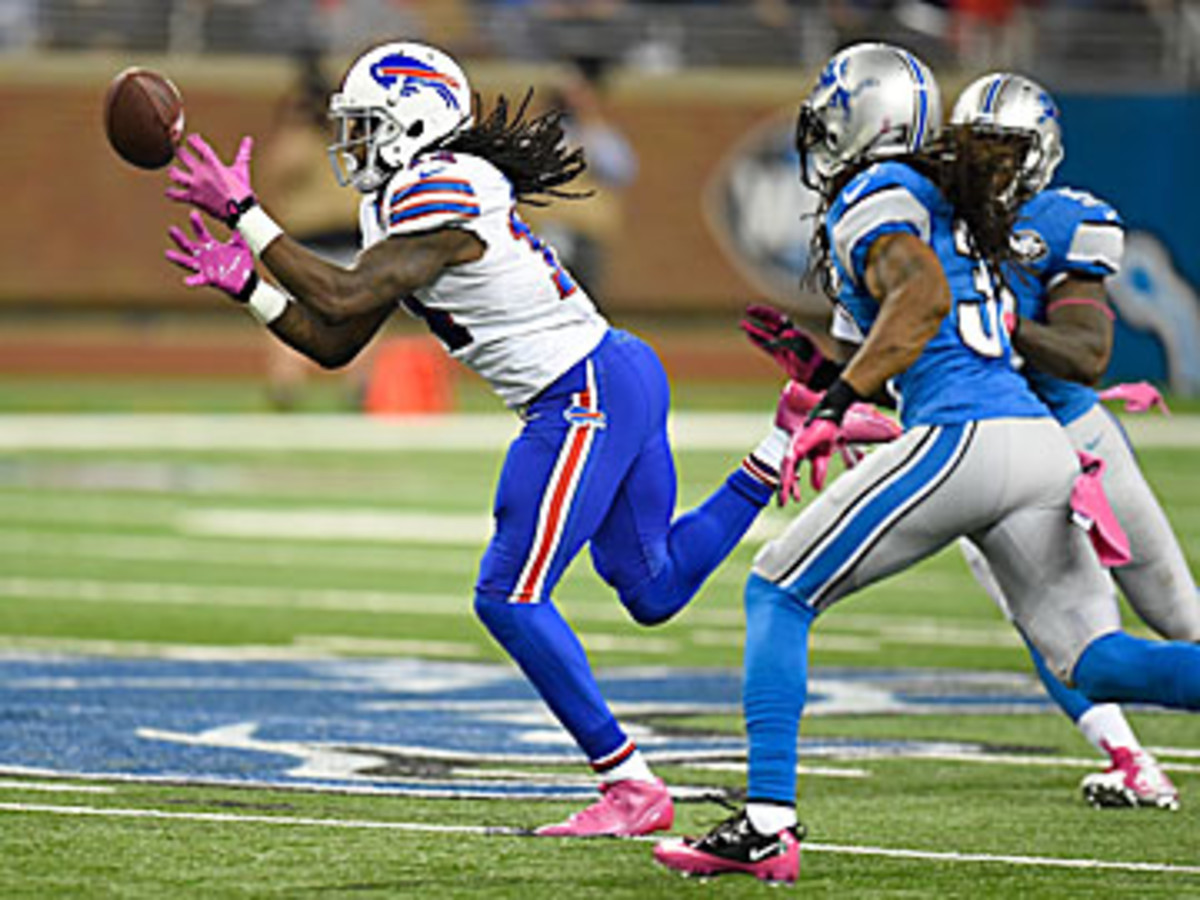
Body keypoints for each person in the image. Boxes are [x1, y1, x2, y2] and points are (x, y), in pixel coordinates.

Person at [162, 40, 799, 838]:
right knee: (652, 588)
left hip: (582, 393)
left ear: (414, 123)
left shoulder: (443, 186)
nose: (350, 143)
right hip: (618, 372)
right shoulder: (402, 200)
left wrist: (244, 214)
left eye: (365, 126)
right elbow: (336, 341)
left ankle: (630, 787)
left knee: (508, 594)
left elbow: (346, 288)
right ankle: (783, 439)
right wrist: (250, 289)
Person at [652, 42, 1200, 884]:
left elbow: (923, 304)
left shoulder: (880, 192)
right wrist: (826, 375)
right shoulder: (940, 201)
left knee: (777, 587)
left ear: (858, 123)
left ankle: (766, 823)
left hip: (969, 434)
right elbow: (908, 327)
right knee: (1097, 661)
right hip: (1038, 450)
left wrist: (834, 408)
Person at [949, 72, 1197, 810]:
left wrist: (1003, 326)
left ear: (1038, 154)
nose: (989, 165)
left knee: (1178, 612)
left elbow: (1088, 354)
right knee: (1058, 634)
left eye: (1004, 150)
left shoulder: (1061, 223)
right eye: (977, 148)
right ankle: (1129, 760)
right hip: (988, 455)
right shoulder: (927, 223)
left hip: (1075, 434)